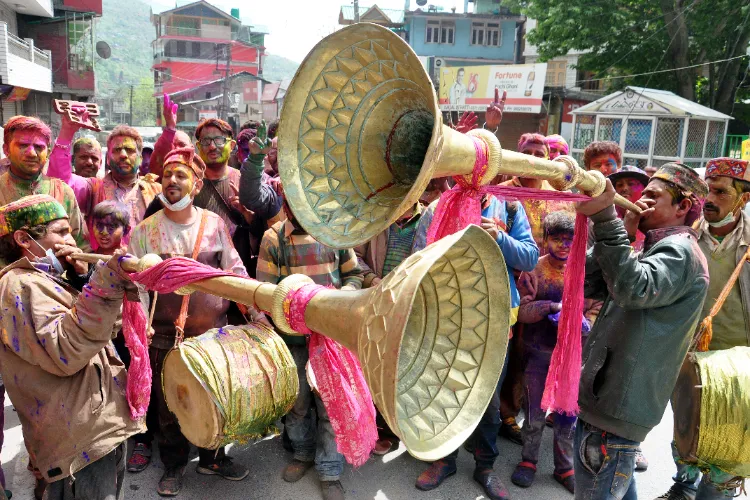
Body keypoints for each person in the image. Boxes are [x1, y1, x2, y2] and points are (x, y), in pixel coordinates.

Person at [574, 163, 709, 499]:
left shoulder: (679, 252)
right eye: (643, 194)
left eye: (654, 196)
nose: (642, 200)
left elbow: (632, 289)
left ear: (682, 207)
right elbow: (588, 282)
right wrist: (621, 228)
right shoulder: (654, 246)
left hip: (616, 410)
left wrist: (607, 223)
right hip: (611, 404)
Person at [128, 147, 255, 497]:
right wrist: (142, 324)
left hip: (212, 336)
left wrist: (256, 310)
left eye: (181, 175)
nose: (172, 181)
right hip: (165, 337)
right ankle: (173, 465)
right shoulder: (145, 231)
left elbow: (236, 272)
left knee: (215, 398)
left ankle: (213, 458)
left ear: (196, 185)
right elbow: (135, 285)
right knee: (171, 405)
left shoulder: (214, 225)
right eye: (167, 175)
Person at [0, 194, 143, 500]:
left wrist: (83, 278)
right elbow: (67, 350)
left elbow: (104, 329)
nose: (73, 240)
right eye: (62, 232)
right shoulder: (19, 285)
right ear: (24, 239)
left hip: (96, 430)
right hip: (78, 444)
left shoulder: (46, 277)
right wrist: (104, 283)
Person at [413, 193, 539, 500]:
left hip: (494, 324)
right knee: (444, 395)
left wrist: (500, 238)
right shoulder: (436, 209)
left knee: (488, 402)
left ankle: (485, 467)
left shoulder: (509, 208)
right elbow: (416, 260)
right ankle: (444, 460)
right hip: (447, 322)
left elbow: (530, 257)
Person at [257, 196, 364, 500]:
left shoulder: (336, 231)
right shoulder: (273, 238)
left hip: (331, 337)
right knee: (298, 400)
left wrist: (340, 299)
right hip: (291, 339)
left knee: (331, 404)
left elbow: (354, 275)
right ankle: (302, 453)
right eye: (291, 200)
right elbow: (264, 291)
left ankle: (330, 470)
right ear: (287, 205)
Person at [657, 157, 750, 500]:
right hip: (688, 352)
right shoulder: (684, 237)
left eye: (721, 192)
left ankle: (717, 492)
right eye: (707, 191)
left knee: (729, 435)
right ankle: (683, 485)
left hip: (738, 363)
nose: (709, 199)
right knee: (686, 425)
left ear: (744, 199)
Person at [511, 211, 599, 494]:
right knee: (534, 413)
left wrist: (585, 323)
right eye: (557, 239)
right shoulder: (533, 270)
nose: (564, 245)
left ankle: (565, 467)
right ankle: (528, 461)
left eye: (570, 240)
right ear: (545, 239)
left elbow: (596, 309)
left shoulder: (587, 271)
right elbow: (520, 311)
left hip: (573, 359)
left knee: (567, 416)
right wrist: (550, 308)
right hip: (538, 353)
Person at [498, 133, 574, 445]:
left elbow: (568, 240)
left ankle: (532, 417)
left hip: (551, 286)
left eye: (538, 152)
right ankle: (504, 415)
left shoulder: (558, 196)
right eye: (526, 151)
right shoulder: (502, 194)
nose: (532, 157)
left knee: (539, 357)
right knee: (512, 356)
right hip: (511, 286)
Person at [354, 201, 424, 455]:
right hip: (376, 304)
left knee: (406, 365)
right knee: (376, 365)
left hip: (412, 307)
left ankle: (402, 427)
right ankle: (380, 429)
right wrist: (374, 281)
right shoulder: (377, 217)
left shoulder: (428, 217)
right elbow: (354, 257)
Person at [47, 112, 161, 251]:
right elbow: (59, 182)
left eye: (129, 150)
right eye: (117, 150)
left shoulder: (156, 190)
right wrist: (66, 132)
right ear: (107, 159)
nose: (123, 155)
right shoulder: (93, 188)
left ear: (140, 158)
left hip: (147, 267)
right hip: (102, 267)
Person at [0, 116, 88, 261]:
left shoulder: (63, 192)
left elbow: (80, 245)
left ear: (47, 152)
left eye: (39, 147)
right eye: (22, 145)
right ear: (6, 149)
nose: (32, 153)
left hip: (57, 281)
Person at [149, 95, 193, 179]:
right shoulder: (159, 179)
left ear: (191, 148)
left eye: (182, 145)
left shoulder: (197, 175)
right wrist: (170, 129)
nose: (175, 149)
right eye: (173, 144)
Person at [609, 165, 650, 251]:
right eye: (620, 185)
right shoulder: (607, 222)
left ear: (644, 189)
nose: (624, 188)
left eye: (631, 184)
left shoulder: (653, 222)